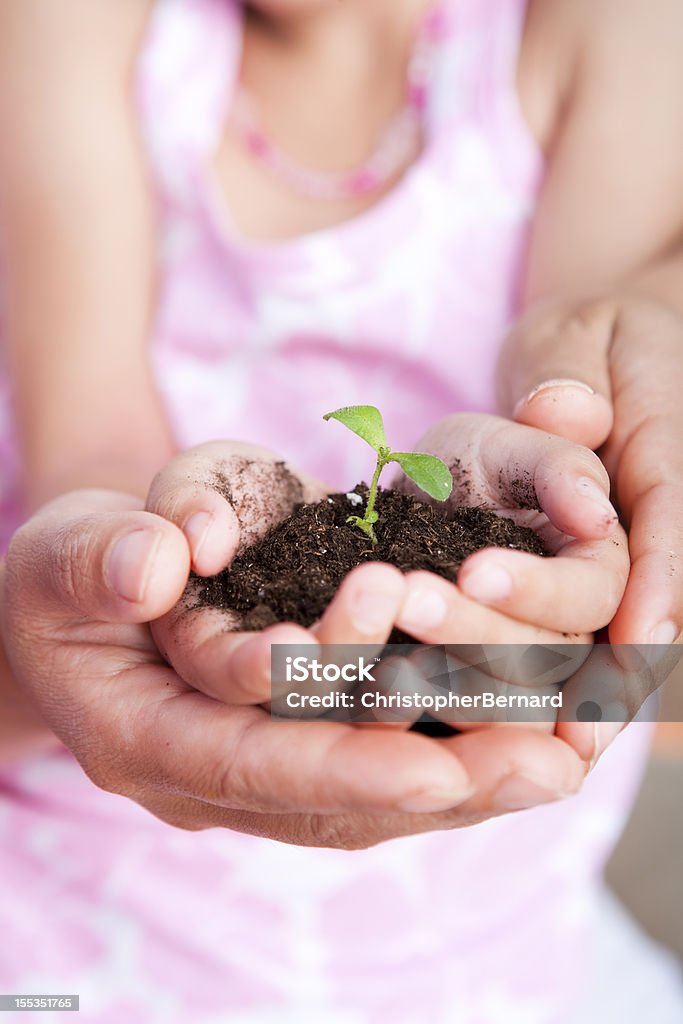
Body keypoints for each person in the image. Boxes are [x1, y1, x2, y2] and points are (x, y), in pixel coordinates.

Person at [1, 0, 682, 1018]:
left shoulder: (601, 33)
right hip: (68, 930)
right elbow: (90, 450)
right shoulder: (79, 26)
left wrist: (622, 353)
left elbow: (578, 395)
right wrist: (100, 591)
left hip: (476, 948)